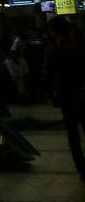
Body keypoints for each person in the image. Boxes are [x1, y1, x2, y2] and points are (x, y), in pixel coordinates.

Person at [45, 17, 85, 180]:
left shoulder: (54, 50)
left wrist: (52, 95)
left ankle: (82, 169)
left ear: (54, 32)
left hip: (66, 97)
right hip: (83, 93)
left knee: (73, 135)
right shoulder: (81, 45)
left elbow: (48, 77)